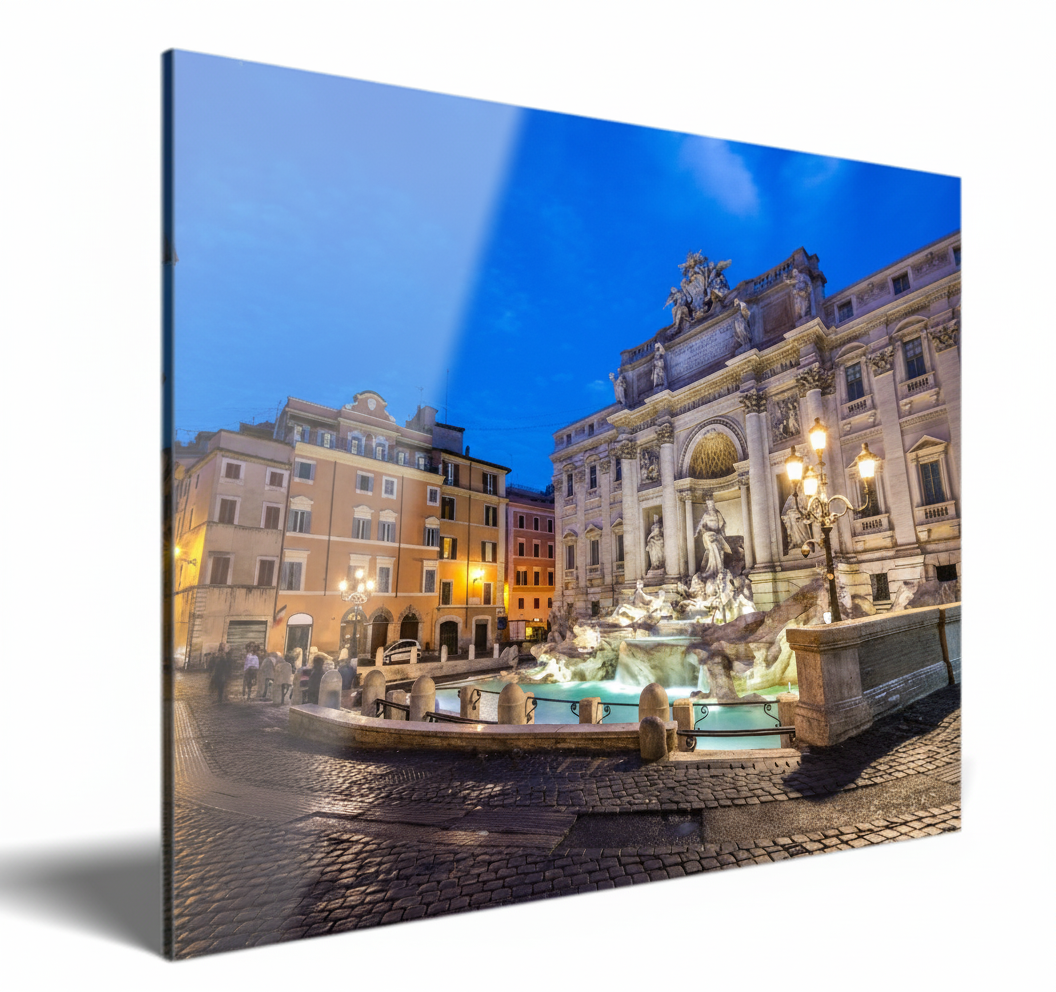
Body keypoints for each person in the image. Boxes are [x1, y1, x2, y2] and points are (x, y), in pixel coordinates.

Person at [695, 495, 731, 577]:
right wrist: (697, 533)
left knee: (717, 547)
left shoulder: (717, 513)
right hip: (707, 534)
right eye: (709, 504)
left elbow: (722, 523)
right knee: (713, 546)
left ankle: (717, 568)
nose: (711, 506)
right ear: (707, 505)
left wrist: (721, 533)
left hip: (717, 534)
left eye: (712, 504)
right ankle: (714, 568)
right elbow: (701, 525)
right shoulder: (706, 514)